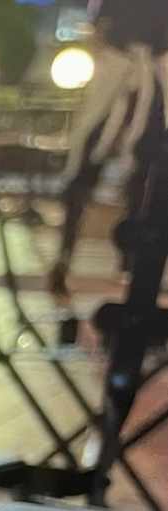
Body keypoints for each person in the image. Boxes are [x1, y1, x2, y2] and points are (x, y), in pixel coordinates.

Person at [51, 0, 168, 296]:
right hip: (120, 71)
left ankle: (132, 267)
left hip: (153, 77)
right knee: (86, 165)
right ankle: (64, 257)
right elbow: (99, 28)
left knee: (147, 176)